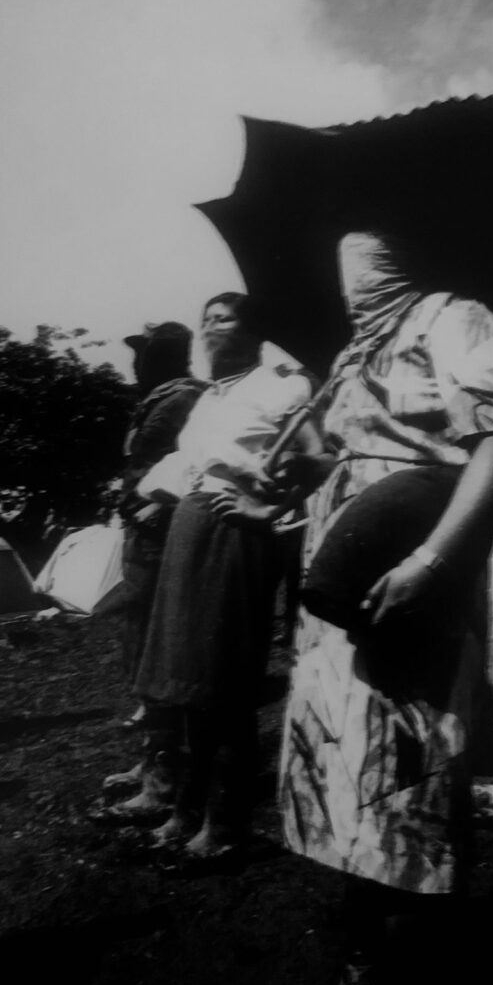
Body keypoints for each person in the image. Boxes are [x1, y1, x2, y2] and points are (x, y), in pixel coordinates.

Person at [273, 231, 493, 985]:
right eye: (346, 252)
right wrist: (312, 466)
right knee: (347, 775)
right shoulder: (355, 351)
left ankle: (407, 983)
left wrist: (434, 562)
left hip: (417, 566)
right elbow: (359, 454)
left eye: (372, 250)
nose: (353, 269)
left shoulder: (455, 319)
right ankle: (366, 972)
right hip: (348, 575)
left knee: (406, 778)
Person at [131, 292, 315, 864]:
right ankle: (186, 810)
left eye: (224, 318)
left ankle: (225, 822)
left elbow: (323, 458)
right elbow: (188, 465)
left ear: (255, 331)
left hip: (236, 533)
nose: (210, 328)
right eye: (205, 319)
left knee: (222, 681)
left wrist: (272, 506)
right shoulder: (213, 396)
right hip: (191, 527)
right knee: (186, 678)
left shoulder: (284, 388)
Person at [102, 322, 206, 813]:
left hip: (162, 538)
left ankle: (165, 777)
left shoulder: (185, 399)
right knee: (141, 647)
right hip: (141, 537)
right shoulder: (160, 398)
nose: (136, 366)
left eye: (144, 357)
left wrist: (159, 506)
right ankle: (153, 760)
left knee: (161, 651)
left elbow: (196, 464)